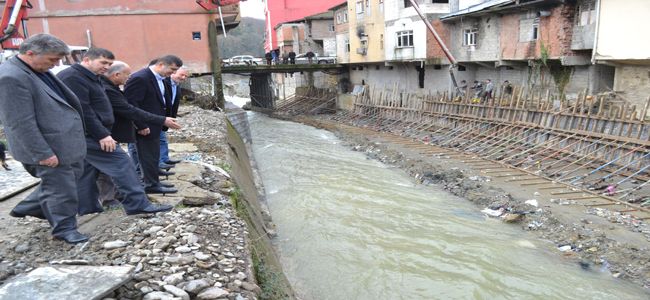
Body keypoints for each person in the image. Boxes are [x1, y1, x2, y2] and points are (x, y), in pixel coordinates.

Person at [57, 48, 174, 216]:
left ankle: (87, 207)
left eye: (110, 64)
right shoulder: (73, 77)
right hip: (88, 134)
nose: (106, 67)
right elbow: (84, 110)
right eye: (103, 63)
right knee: (123, 164)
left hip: (88, 134)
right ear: (87, 59)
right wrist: (102, 134)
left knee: (86, 173)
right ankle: (138, 204)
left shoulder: (91, 77)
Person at [0, 34, 88, 244]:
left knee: (68, 181)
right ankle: (64, 230)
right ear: (30, 53)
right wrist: (42, 153)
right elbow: (19, 122)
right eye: (52, 59)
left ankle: (30, 206)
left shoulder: (37, 70)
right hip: (48, 147)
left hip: (65, 144)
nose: (56, 64)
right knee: (61, 190)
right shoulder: (10, 77)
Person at [99, 61, 181, 207]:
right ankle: (133, 201)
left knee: (109, 167)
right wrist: (155, 121)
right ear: (116, 74)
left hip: (108, 134)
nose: (129, 78)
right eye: (127, 74)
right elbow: (130, 108)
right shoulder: (111, 87)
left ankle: (115, 198)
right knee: (121, 165)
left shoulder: (111, 87)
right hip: (104, 134)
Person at [125, 55, 183, 194]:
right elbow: (131, 104)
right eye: (172, 69)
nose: (173, 73)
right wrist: (140, 125)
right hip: (145, 125)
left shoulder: (160, 78)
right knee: (146, 156)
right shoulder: (141, 78)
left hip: (155, 123)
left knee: (153, 155)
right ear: (161, 64)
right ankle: (150, 185)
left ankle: (154, 180)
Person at [159, 67, 189, 168]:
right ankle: (159, 162)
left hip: (166, 116)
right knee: (157, 140)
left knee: (162, 139)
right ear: (174, 73)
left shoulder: (176, 85)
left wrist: (171, 117)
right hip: (158, 115)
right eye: (182, 75)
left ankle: (164, 159)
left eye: (185, 76)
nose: (183, 78)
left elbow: (173, 102)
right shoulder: (163, 82)